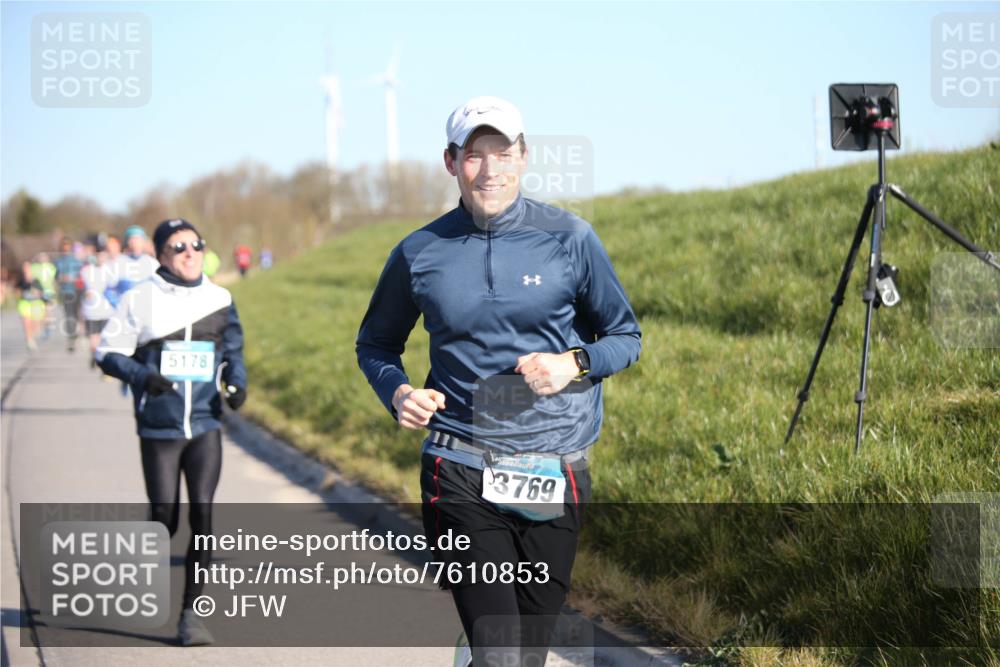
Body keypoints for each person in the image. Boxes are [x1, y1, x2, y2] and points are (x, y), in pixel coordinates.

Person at [356, 96, 641, 666]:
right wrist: (399, 393)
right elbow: (376, 345)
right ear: (450, 162)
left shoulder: (570, 238)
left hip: (554, 465)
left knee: (527, 654)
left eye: (503, 153)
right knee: (502, 654)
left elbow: (625, 337)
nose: (490, 170)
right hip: (460, 460)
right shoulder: (418, 252)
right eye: (474, 155)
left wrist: (573, 363)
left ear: (524, 157)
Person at [96, 219, 248, 646]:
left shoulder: (220, 298)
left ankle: (190, 617)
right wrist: (143, 377)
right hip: (159, 427)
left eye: (196, 244)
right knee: (165, 518)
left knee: (203, 514)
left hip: (205, 424)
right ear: (160, 254)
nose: (190, 252)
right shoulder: (140, 299)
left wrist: (237, 382)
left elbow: (233, 351)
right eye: (178, 247)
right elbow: (107, 353)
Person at [80, 249, 115, 368]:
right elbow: (82, 287)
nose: (101, 259)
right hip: (92, 311)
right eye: (99, 256)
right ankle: (96, 356)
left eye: (104, 256)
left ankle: (98, 357)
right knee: (94, 337)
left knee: (103, 337)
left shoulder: (110, 270)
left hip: (107, 310)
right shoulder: (87, 271)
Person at [54, 237, 84, 352]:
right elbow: (56, 277)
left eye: (67, 247)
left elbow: (82, 276)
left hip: (76, 290)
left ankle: (78, 333)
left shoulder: (76, 261)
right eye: (63, 247)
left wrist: (72, 278)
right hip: (65, 292)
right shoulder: (58, 262)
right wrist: (60, 278)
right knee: (68, 315)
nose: (65, 249)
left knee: (76, 314)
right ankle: (71, 338)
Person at [16, 262, 46, 350]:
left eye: (27, 268)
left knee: (35, 325)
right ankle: (29, 340)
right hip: (24, 304)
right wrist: (19, 294)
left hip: (35, 304)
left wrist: (37, 293)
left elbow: (42, 293)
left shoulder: (36, 281)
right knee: (26, 322)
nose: (26, 270)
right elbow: (17, 291)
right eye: (24, 269)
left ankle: (33, 335)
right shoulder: (21, 281)